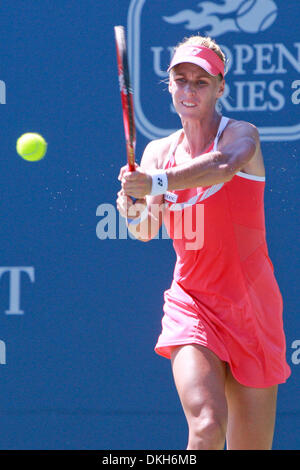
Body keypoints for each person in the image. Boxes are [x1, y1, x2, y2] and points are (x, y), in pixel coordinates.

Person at [116, 35, 291, 450]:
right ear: (170, 86)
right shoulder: (159, 152)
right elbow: (146, 229)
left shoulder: (241, 135)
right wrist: (131, 207)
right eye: (181, 80)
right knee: (208, 426)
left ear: (220, 87)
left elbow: (224, 167)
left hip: (253, 309)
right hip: (192, 303)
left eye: (201, 81)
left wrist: (155, 182)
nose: (190, 90)